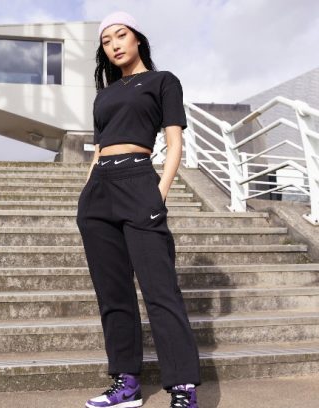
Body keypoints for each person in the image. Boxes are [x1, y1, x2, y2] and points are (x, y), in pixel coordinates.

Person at [76, 10, 201, 408]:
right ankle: (126, 383)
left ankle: (183, 388)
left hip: (138, 181)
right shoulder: (103, 95)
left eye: (121, 35)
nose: (114, 44)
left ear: (137, 39)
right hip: (100, 189)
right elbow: (99, 148)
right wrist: (86, 192)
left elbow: (174, 143)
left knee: (160, 290)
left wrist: (159, 193)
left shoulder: (163, 82)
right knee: (112, 294)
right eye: (106, 40)